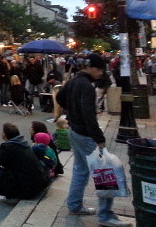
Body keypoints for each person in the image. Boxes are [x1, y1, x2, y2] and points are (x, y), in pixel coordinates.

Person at [56, 53, 131, 226]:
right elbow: (89, 115)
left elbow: (60, 98)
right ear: (92, 68)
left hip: (73, 131)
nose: (100, 73)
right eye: (99, 70)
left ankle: (74, 205)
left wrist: (71, 110)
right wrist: (99, 137)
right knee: (105, 173)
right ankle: (105, 215)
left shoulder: (74, 81)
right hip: (85, 134)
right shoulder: (87, 87)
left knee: (80, 170)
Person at [0, 123, 50, 203]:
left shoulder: (8, 147)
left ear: (5, 134)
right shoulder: (23, 143)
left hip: (27, 190)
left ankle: (12, 194)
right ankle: (11, 192)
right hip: (38, 185)